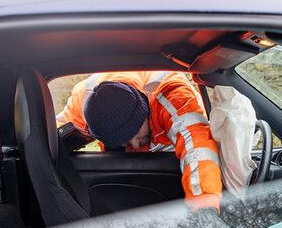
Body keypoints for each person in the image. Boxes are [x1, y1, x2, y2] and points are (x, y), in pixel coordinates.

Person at [56, 71, 223, 212]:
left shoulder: (172, 97)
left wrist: (204, 206)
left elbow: (197, 148)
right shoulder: (84, 104)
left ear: (144, 110)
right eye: (124, 142)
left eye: (136, 133)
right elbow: (49, 136)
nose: (135, 145)